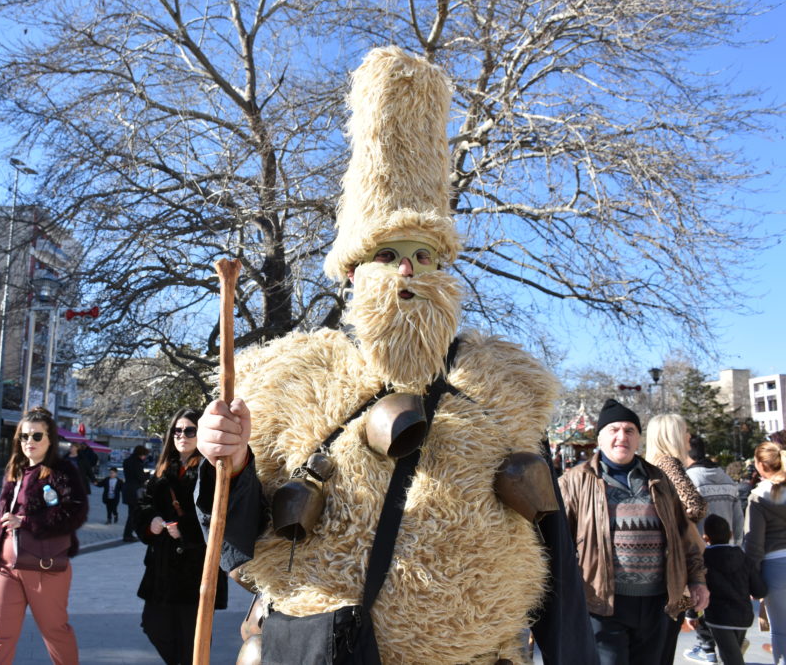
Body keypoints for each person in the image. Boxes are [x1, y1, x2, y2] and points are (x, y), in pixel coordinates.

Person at [198, 46, 597, 664]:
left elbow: (555, 557)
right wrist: (229, 460)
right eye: (386, 255)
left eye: (425, 256)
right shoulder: (291, 382)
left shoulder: (503, 389)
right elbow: (235, 544)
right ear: (351, 275)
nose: (408, 271)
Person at [559, 399, 709, 665]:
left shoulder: (659, 480)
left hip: (657, 603)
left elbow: (685, 537)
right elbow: (558, 544)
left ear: (639, 438)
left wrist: (697, 580)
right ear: (600, 438)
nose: (622, 437)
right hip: (601, 604)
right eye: (614, 430)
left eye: (630, 430)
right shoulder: (574, 481)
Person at [0, 406, 88, 665]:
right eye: (24, 436)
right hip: (7, 567)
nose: (29, 441)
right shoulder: (15, 470)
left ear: (50, 438)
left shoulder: (62, 470)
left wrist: (27, 521)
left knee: (54, 631)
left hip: (45, 565)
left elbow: (75, 512)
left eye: (37, 436)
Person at [136, 409, 227, 664]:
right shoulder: (163, 470)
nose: (182, 435)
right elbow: (143, 505)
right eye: (177, 430)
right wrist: (149, 521)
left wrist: (185, 529)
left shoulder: (211, 469)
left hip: (196, 568)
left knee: (191, 640)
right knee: (153, 625)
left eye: (189, 430)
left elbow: (218, 515)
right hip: (162, 568)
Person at [644, 413, 709, 665]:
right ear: (672, 436)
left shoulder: (650, 464)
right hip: (677, 562)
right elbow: (694, 506)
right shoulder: (669, 464)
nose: (689, 437)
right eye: (684, 431)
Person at [685, 514, 765, 665]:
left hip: (718, 617)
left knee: (731, 658)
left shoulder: (703, 558)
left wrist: (691, 614)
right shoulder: (742, 557)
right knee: (731, 655)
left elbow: (694, 586)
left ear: (705, 538)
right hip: (743, 615)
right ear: (731, 534)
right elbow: (759, 590)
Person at [743, 440, 786, 665]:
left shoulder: (759, 497)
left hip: (775, 567)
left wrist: (752, 577)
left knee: (781, 630)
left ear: (760, 465)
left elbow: (754, 544)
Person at [122, 445, 149, 543]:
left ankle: (128, 534)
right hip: (135, 491)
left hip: (127, 489)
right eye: (144, 455)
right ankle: (128, 535)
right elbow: (140, 477)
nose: (145, 457)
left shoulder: (127, 461)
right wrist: (147, 475)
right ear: (140, 454)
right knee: (134, 514)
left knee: (131, 513)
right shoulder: (137, 463)